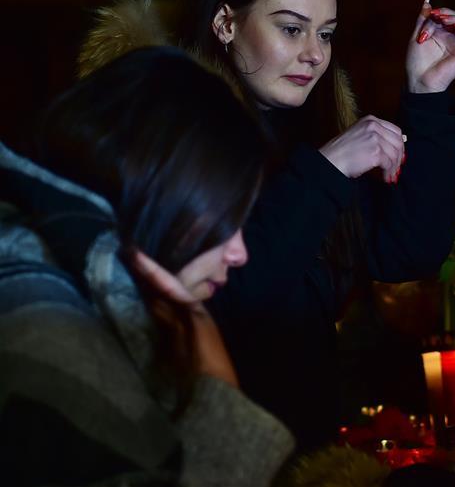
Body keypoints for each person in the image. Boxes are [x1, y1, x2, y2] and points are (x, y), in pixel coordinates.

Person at [78, 0, 455, 450]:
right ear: (225, 23)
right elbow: (232, 301)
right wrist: (327, 171)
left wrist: (427, 94)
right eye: (292, 29)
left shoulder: (311, 130)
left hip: (307, 452)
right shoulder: (164, 135)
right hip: (206, 453)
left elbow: (407, 253)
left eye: (326, 34)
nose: (314, 54)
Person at [0, 47, 293, 486]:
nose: (239, 252)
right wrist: (219, 393)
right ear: (163, 191)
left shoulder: (60, 278)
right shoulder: (49, 327)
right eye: (226, 219)